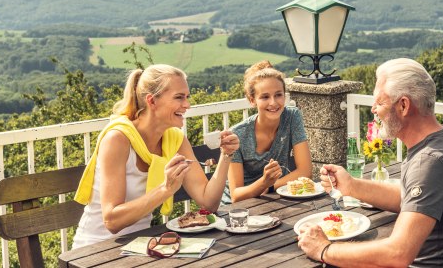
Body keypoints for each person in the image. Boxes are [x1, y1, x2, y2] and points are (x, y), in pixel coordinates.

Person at [297, 58, 443, 267]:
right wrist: (351, 186)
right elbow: (412, 200)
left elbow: (397, 254)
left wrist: (324, 249)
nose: (373, 109)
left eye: (380, 103)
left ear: (404, 105)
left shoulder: (430, 161)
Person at [72, 64, 240, 248]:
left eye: (187, 97)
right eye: (179, 97)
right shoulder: (118, 139)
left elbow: (208, 203)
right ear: (152, 101)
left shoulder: (175, 139)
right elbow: (111, 221)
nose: (187, 105)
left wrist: (226, 155)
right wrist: (165, 189)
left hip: (141, 245)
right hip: (95, 248)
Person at [223, 60, 312, 203]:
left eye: (278, 95)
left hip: (273, 200)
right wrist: (264, 182)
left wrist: (270, 186)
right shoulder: (237, 135)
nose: (273, 103)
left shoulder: (292, 117)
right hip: (239, 208)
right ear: (252, 100)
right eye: (265, 97)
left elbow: (305, 171)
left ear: (284, 95)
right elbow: (236, 195)